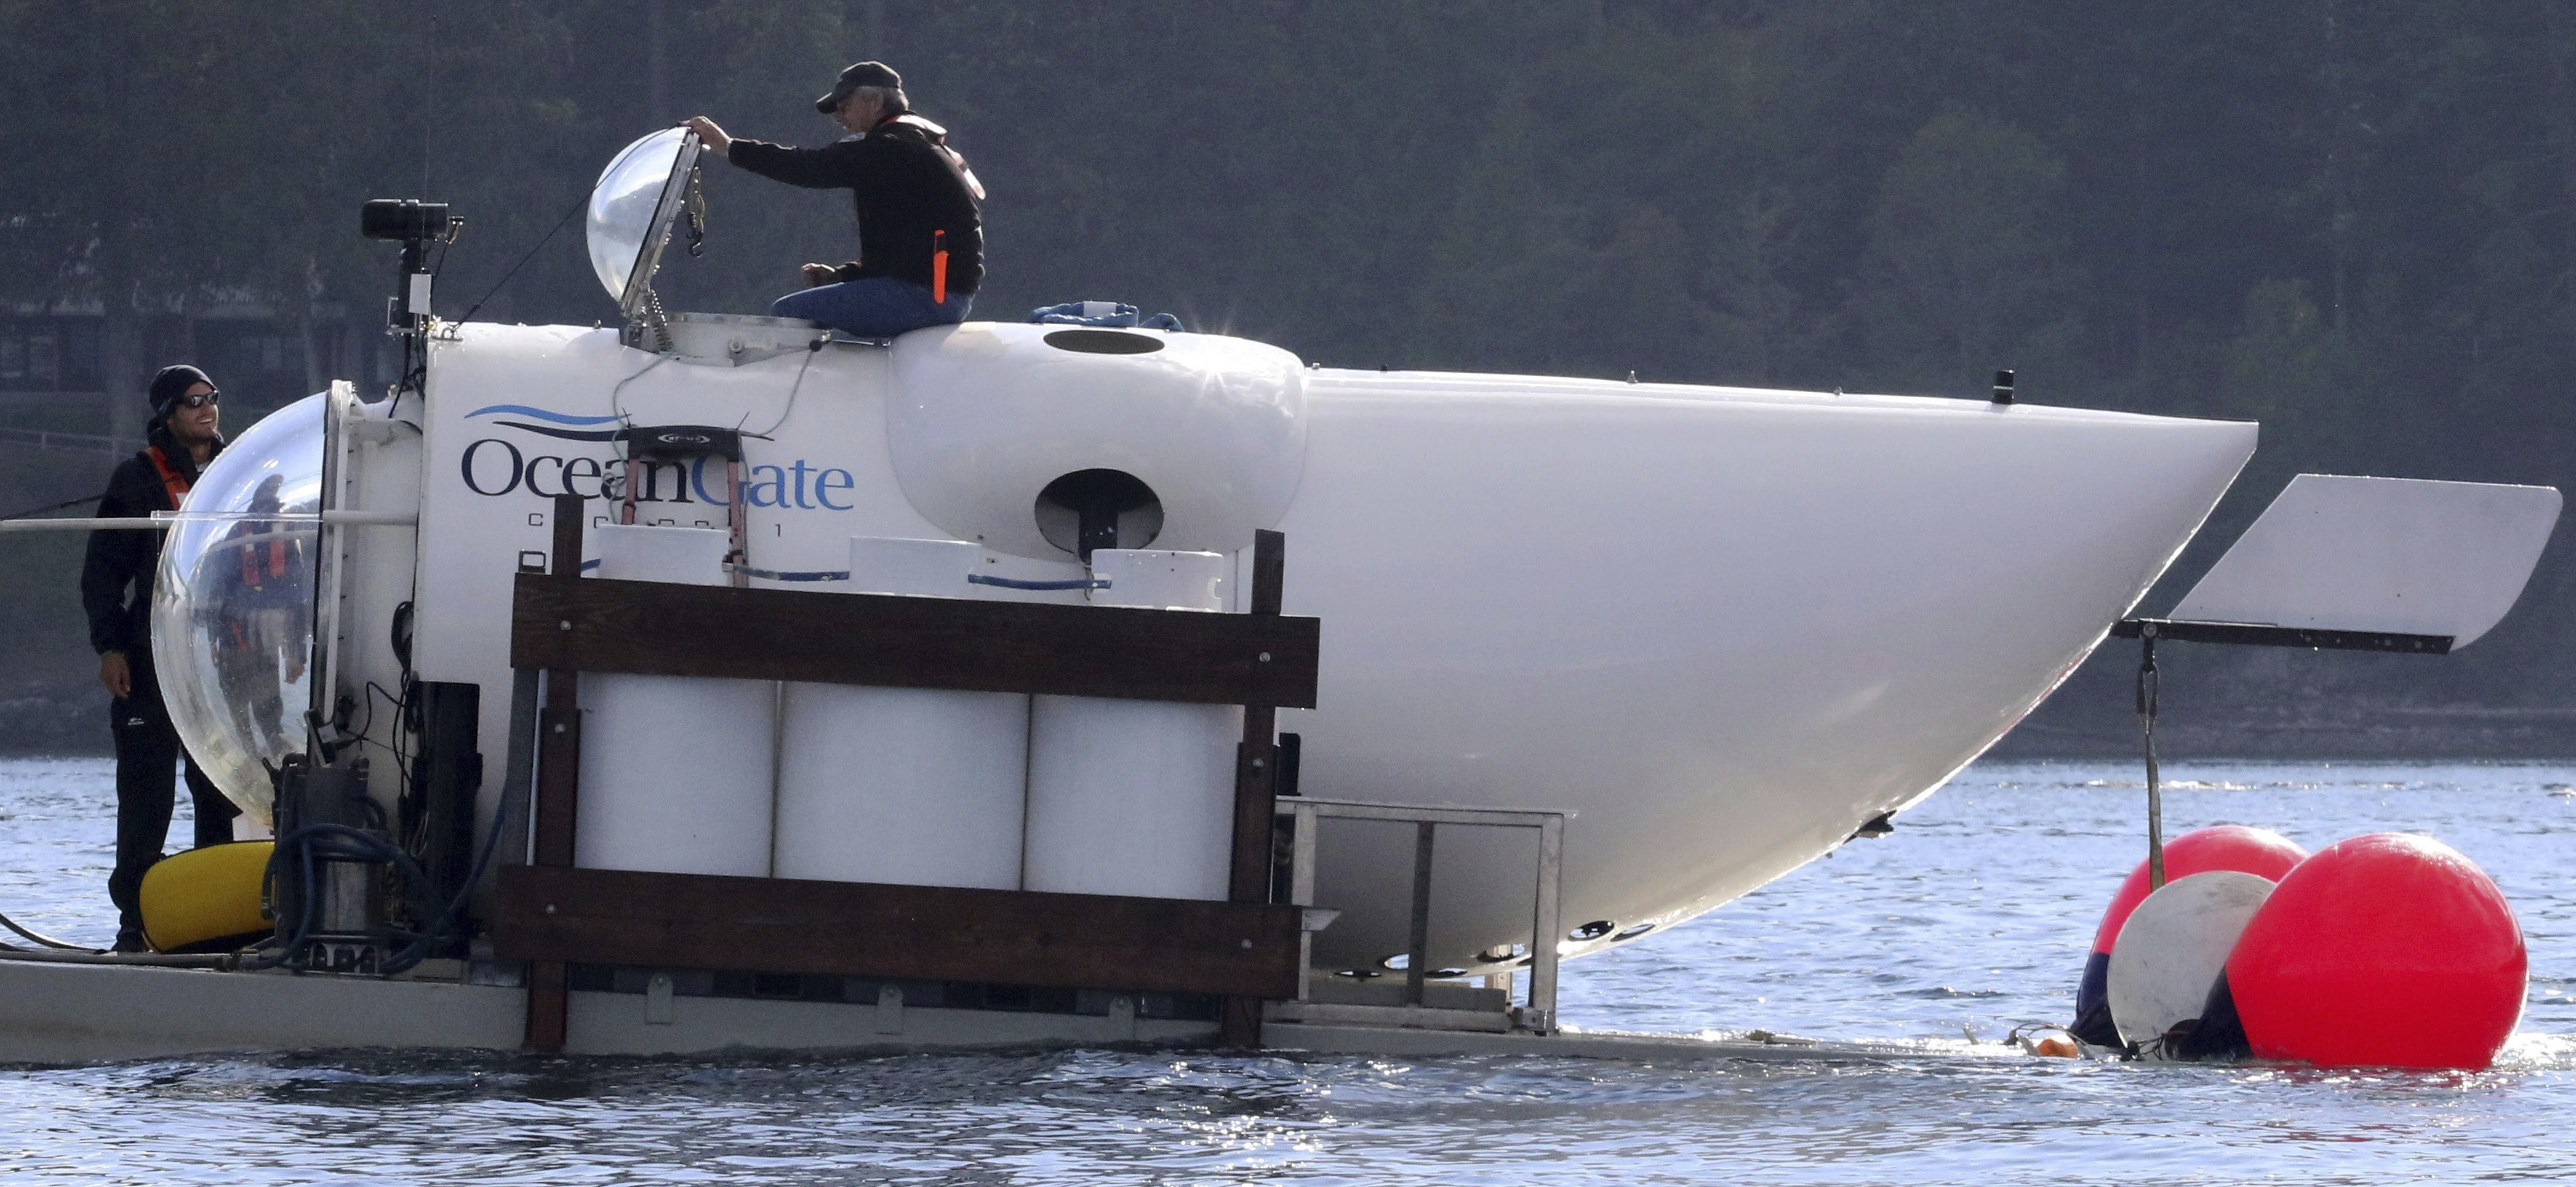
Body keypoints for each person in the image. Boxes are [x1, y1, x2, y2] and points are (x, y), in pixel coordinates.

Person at [81, 363, 240, 951]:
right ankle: (135, 924)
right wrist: (110, 647)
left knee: (218, 794)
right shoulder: (136, 478)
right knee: (146, 796)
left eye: (212, 397)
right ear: (168, 413)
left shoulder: (236, 471)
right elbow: (101, 574)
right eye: (194, 401)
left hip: (218, 662)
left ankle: (220, 923)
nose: (208, 409)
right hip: (148, 661)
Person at [686, 60, 984, 338]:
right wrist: (843, 276)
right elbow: (907, 248)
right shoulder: (915, 142)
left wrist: (729, 147)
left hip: (927, 297)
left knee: (790, 312)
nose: (839, 117)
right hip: (937, 293)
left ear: (876, 102)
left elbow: (809, 168)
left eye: (844, 106)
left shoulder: (890, 147)